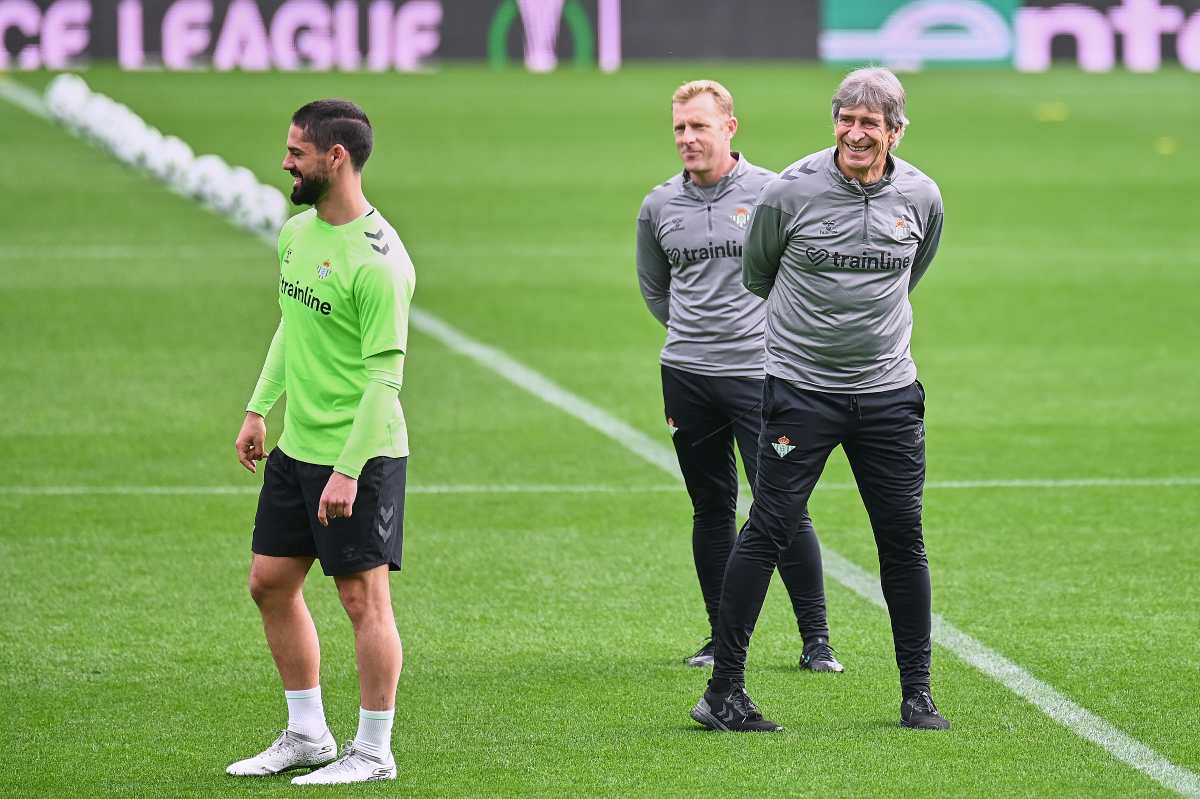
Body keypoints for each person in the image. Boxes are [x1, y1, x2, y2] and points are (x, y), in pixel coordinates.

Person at [689, 67, 948, 733]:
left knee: (902, 539)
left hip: (890, 397)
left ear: (895, 130)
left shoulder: (922, 196)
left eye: (871, 123)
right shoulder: (790, 192)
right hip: (800, 393)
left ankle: (917, 694)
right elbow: (758, 272)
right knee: (768, 529)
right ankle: (723, 693)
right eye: (846, 119)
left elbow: (912, 272)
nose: (856, 133)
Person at [226, 99, 416, 783]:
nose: (285, 162)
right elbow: (291, 325)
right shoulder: (296, 234)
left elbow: (384, 382)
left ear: (335, 158)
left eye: (296, 152)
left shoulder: (381, 264)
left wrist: (348, 467)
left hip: (359, 454)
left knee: (362, 598)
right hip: (297, 447)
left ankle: (373, 750)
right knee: (270, 582)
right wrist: (258, 407)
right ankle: (307, 733)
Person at [637, 80, 842, 673]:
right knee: (711, 507)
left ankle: (817, 639)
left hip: (762, 375)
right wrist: (695, 334)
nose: (687, 138)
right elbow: (655, 289)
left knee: (783, 507)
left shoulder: (773, 193)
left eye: (699, 126)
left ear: (730, 128)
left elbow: (799, 276)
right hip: (686, 376)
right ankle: (720, 637)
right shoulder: (658, 206)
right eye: (679, 127)